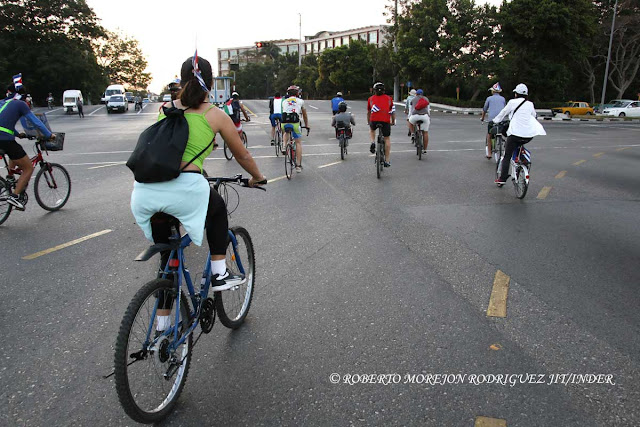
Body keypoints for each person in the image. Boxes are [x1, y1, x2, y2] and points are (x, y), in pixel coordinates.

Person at [130, 55, 267, 305]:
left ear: (180, 82)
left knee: (167, 264)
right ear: (211, 84)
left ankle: (161, 331)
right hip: (185, 189)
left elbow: (169, 143)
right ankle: (219, 273)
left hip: (145, 191)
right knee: (217, 210)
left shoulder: (165, 109)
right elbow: (242, 155)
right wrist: (257, 177)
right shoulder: (215, 115)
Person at [0, 83, 55, 210]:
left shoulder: (3, 103)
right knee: (28, 168)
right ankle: (14, 196)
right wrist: (48, 134)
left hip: (3, 138)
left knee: (15, 152)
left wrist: (17, 134)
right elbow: (35, 121)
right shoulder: (20, 104)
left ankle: (10, 177)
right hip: (4, 139)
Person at [492, 83, 546, 186]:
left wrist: (494, 121)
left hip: (515, 133)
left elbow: (503, 113)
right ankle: (523, 159)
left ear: (516, 94)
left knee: (507, 155)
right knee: (520, 143)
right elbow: (534, 116)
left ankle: (502, 178)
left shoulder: (512, 102)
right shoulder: (530, 104)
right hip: (528, 135)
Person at [281, 85, 309, 173]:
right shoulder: (300, 101)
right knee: (298, 143)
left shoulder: (284, 101)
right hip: (295, 123)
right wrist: (307, 125)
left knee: (286, 132)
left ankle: (284, 146)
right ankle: (298, 165)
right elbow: (304, 115)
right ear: (297, 93)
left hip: (284, 123)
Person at [367, 82, 395, 167]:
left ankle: (372, 142)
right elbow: (392, 112)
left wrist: (369, 121)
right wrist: (393, 121)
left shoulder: (370, 99)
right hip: (385, 120)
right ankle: (387, 160)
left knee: (372, 130)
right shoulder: (389, 99)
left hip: (374, 120)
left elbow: (369, 112)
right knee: (387, 138)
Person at [481, 82, 506, 159]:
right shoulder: (503, 99)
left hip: (492, 120)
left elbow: (484, 109)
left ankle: (489, 153)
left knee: (489, 134)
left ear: (493, 91)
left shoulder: (489, 98)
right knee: (501, 131)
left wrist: (482, 118)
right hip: (501, 120)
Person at [409, 89, 431, 155]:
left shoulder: (413, 99)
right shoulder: (426, 99)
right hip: (424, 116)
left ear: (416, 94)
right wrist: (428, 116)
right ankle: (425, 149)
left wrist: (409, 117)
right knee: (425, 132)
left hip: (415, 116)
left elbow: (411, 110)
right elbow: (428, 110)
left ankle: (412, 133)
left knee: (410, 122)